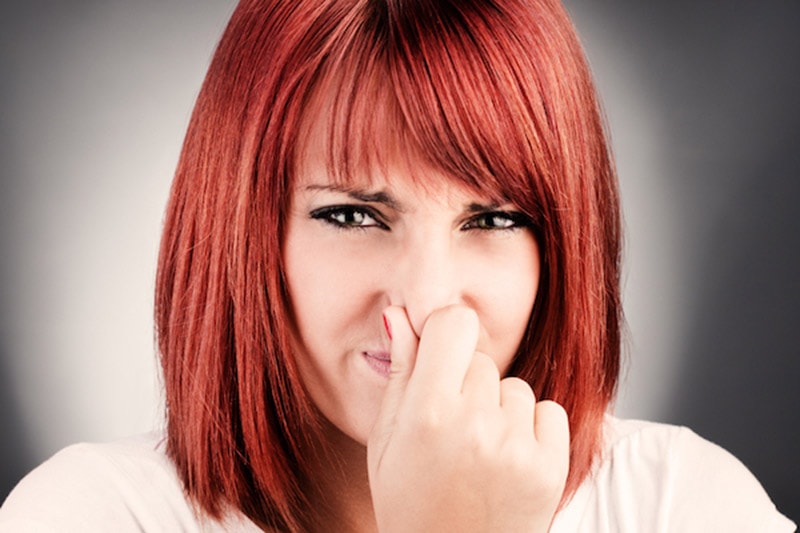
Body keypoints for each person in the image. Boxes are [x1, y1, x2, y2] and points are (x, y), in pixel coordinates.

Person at [0, 0, 794, 531]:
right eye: (351, 215)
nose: (425, 300)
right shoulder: (90, 513)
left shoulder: (679, 504)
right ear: (242, 231)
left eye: (493, 218)